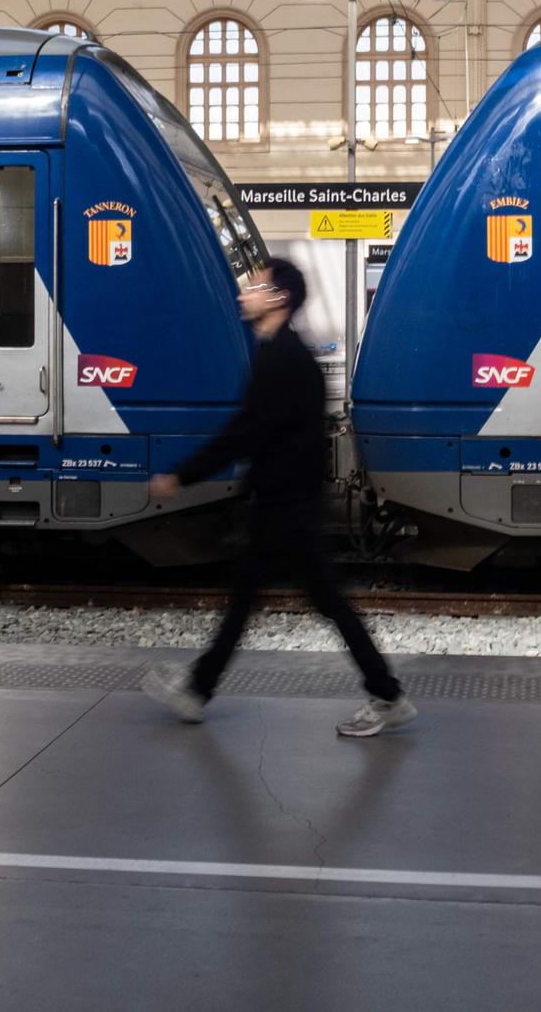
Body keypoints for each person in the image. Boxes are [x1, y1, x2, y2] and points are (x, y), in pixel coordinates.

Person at [144, 258, 416, 738]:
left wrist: (182, 476)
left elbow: (246, 431)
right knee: (255, 600)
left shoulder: (282, 360)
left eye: (254, 287)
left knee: (319, 602)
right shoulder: (281, 353)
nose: (243, 294)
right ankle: (198, 691)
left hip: (288, 509)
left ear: (279, 299)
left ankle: (388, 695)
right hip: (285, 504)